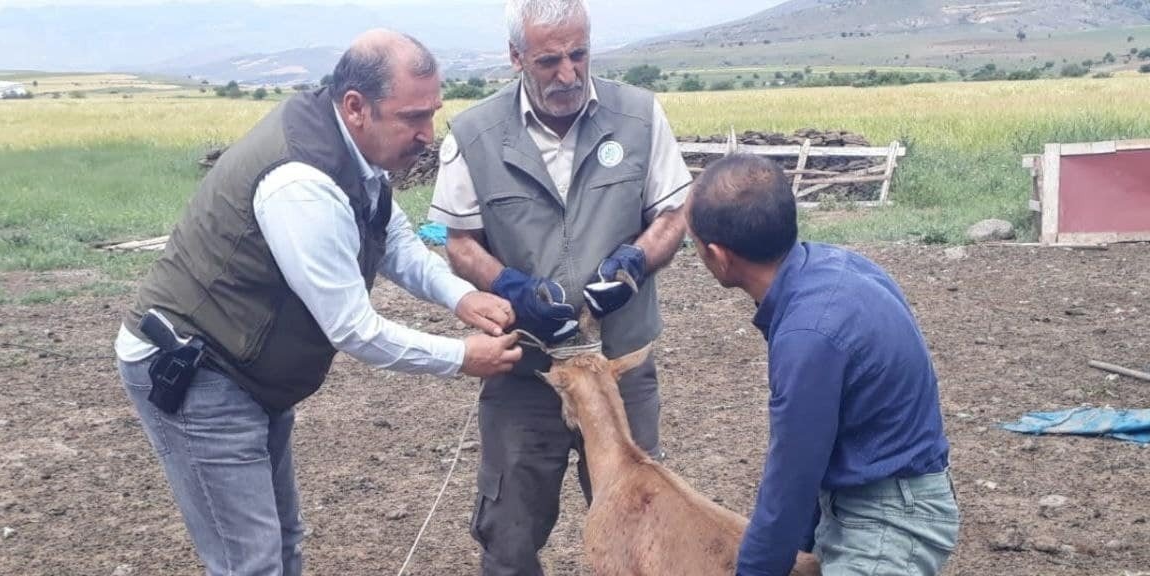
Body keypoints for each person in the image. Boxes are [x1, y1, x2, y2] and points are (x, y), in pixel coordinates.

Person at [114, 29, 523, 576]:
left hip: (250, 370)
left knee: (284, 544)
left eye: (433, 113)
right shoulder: (301, 183)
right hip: (199, 370)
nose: (428, 135)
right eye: (412, 118)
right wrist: (461, 357)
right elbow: (353, 328)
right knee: (250, 563)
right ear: (356, 107)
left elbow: (394, 235)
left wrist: (463, 296)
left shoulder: (352, 151)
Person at [426, 0, 693, 573]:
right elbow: (457, 240)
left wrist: (635, 263)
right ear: (516, 57)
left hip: (623, 365)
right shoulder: (473, 134)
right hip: (526, 371)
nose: (569, 74)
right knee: (509, 536)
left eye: (579, 55)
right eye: (549, 61)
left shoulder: (640, 116)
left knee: (645, 527)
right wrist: (509, 284)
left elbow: (674, 215)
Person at [685, 154, 960, 576]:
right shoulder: (837, 268)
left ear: (719, 257)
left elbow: (790, 484)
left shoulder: (808, 334)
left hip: (888, 520)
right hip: (870, 496)